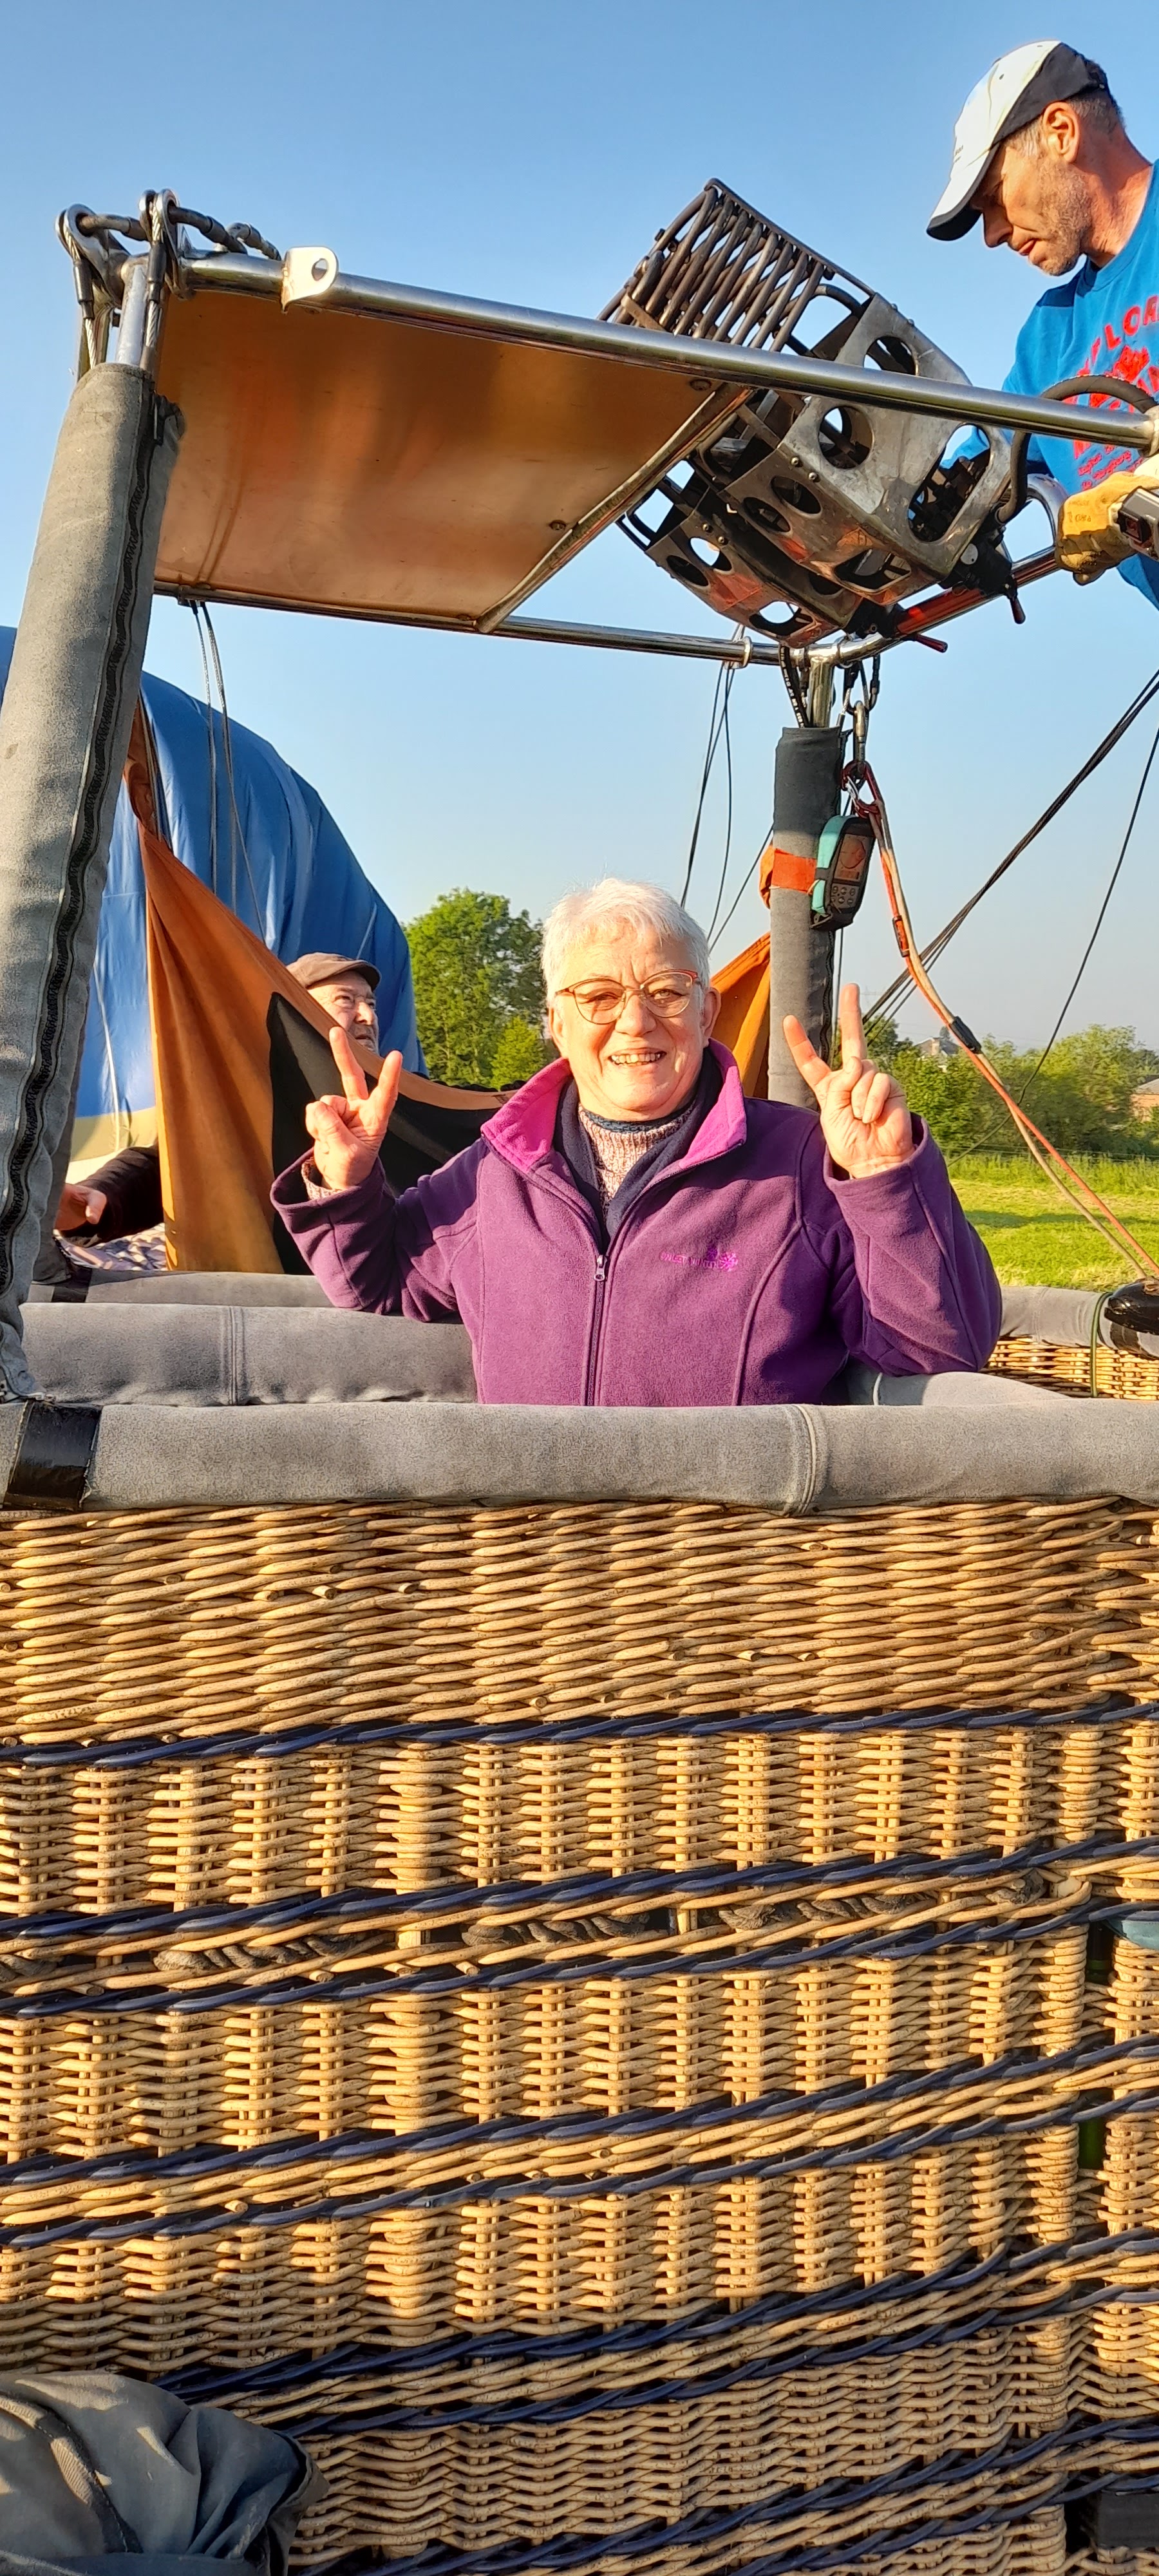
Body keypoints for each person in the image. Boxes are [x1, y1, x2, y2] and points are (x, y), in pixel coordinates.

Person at [272, 878, 1000, 1405]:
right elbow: (379, 1285)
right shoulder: (493, 1173)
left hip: (734, 1562)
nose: (635, 1022)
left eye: (666, 991)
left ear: (707, 1012)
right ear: (556, 1023)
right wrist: (345, 1187)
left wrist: (886, 1181)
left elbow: (940, 1349)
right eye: (598, 997)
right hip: (534, 1555)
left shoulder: (805, 1165)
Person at [928, 42, 1159, 601]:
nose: (992, 235)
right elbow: (946, 488)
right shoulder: (1047, 342)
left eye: (994, 196)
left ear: (1060, 132)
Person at [55, 953, 381, 1247]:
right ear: (293, 1014)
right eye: (346, 1000)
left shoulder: (402, 1100)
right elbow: (172, 1165)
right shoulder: (252, 1098)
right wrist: (97, 1196)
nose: (367, 1015)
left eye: (371, 1003)